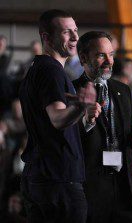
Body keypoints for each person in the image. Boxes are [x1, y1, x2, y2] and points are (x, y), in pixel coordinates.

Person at [73, 31, 132, 223]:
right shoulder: (71, 91)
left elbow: (126, 137)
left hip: (123, 186)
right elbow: (66, 140)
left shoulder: (123, 90)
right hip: (90, 187)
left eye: (111, 54)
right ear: (83, 57)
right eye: (101, 55)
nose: (109, 61)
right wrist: (87, 122)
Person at [19, 9, 96, 223]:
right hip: (58, 180)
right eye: (66, 32)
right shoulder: (50, 71)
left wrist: (80, 110)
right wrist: (82, 106)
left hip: (41, 176)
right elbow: (57, 119)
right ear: (46, 37)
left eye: (75, 31)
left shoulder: (38, 68)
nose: (75, 38)